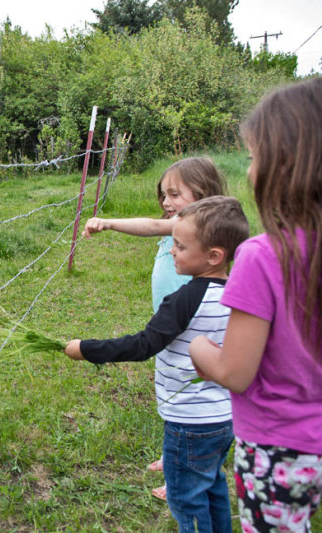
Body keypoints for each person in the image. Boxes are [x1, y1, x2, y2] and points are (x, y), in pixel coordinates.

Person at [66, 195, 250, 533]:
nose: (170, 251)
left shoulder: (184, 300)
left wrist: (86, 348)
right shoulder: (239, 292)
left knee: (185, 498)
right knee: (212, 486)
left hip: (189, 422)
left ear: (213, 256)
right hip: (225, 419)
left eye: (179, 246)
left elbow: (143, 344)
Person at [189, 78, 322, 533]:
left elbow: (234, 372)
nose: (249, 170)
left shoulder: (262, 256)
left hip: (276, 446)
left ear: (284, 167)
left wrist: (199, 348)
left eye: (253, 157)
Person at [83, 157, 227, 499]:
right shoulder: (183, 227)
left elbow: (149, 225)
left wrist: (109, 223)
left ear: (203, 194)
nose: (166, 203)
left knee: (191, 397)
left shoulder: (195, 226)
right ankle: (175, 453)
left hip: (194, 330)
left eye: (175, 193)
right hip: (174, 328)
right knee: (174, 392)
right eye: (163, 194)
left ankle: (184, 476)